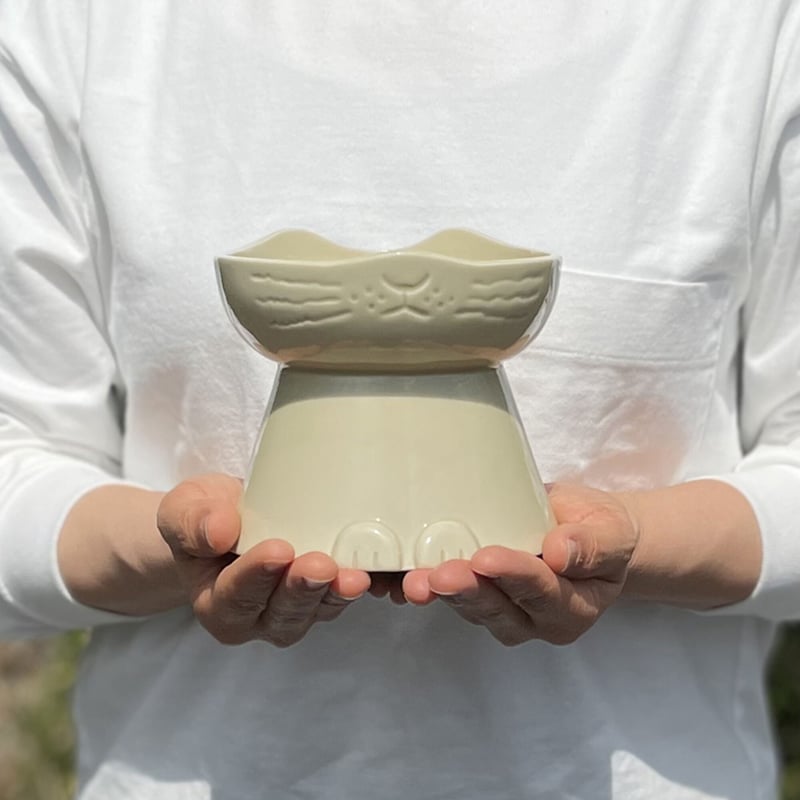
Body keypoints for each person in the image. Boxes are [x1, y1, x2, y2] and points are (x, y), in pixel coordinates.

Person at [1, 2, 798, 798]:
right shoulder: (78, 23)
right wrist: (174, 549)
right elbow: (17, 461)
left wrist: (637, 544)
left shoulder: (745, 27)